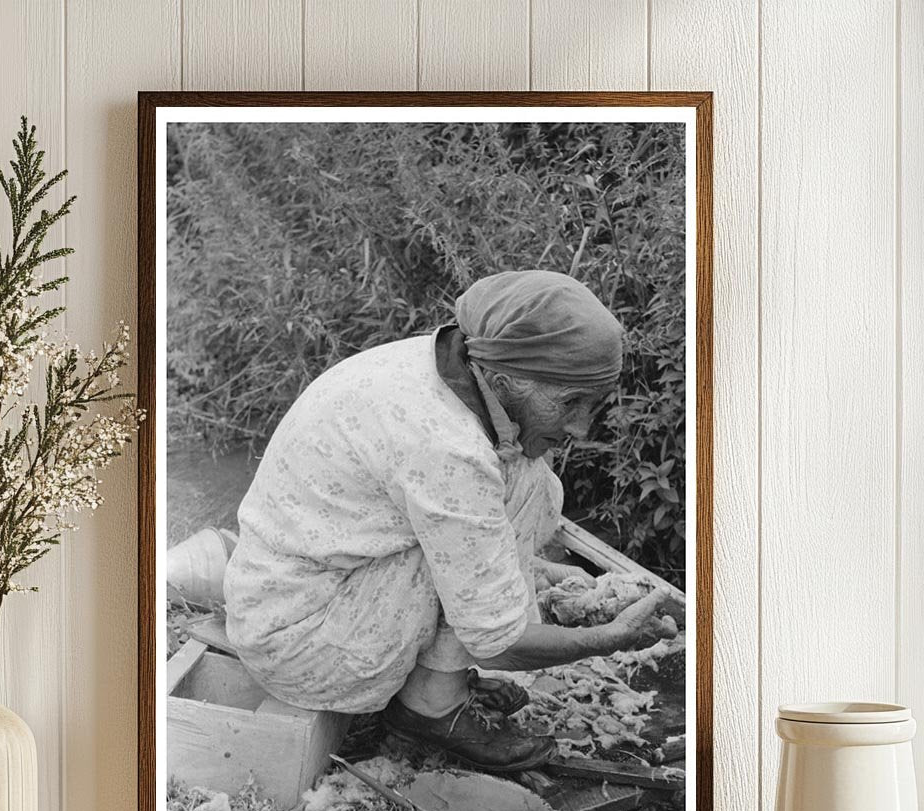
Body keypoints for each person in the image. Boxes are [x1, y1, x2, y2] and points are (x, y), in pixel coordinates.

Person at [223, 270, 677, 771]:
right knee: (491, 517)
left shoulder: (461, 362)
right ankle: (431, 706)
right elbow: (498, 644)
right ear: (503, 381)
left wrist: (535, 572)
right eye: (570, 403)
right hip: (298, 642)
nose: (582, 427)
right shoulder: (448, 449)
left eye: (593, 404)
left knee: (526, 476)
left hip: (307, 592)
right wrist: (607, 639)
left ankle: (437, 683)